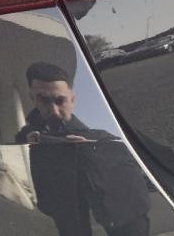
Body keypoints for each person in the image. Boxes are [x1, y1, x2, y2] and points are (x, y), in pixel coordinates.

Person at [16, 62, 151, 236]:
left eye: (60, 100)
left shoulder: (99, 128)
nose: (54, 110)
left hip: (123, 211)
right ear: (32, 99)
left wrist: (92, 147)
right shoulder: (26, 135)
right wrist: (30, 144)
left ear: (72, 99)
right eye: (44, 100)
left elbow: (130, 153)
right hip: (67, 215)